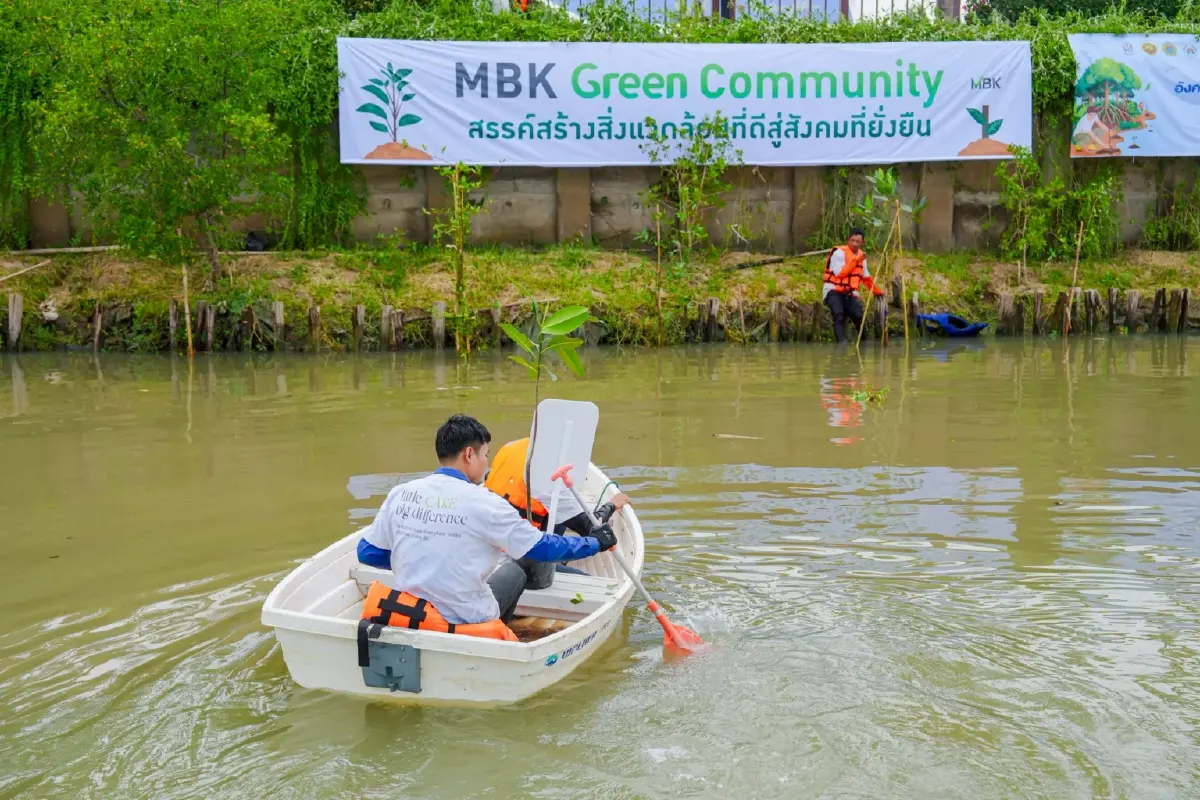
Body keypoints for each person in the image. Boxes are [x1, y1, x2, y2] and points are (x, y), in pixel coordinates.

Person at [355, 414, 618, 642]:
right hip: (467, 616)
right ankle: (495, 632)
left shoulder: (401, 493)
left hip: (413, 611)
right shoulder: (486, 503)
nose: (486, 463)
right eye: (485, 455)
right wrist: (595, 543)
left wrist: (412, 560)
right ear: (469, 454)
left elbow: (367, 553)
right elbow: (542, 548)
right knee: (515, 571)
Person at [484, 437, 631, 584]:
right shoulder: (547, 478)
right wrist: (611, 505)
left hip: (493, 537)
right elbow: (591, 526)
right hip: (517, 556)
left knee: (558, 515)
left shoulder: (512, 448)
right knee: (586, 579)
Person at [823, 227, 884, 344]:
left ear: (862, 242)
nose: (855, 244)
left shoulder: (862, 256)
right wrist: (856, 260)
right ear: (848, 240)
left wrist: (877, 291)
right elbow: (840, 274)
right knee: (838, 314)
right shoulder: (839, 253)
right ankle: (841, 344)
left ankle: (864, 344)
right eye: (852, 240)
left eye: (858, 241)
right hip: (833, 290)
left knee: (859, 316)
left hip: (850, 292)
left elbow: (866, 277)